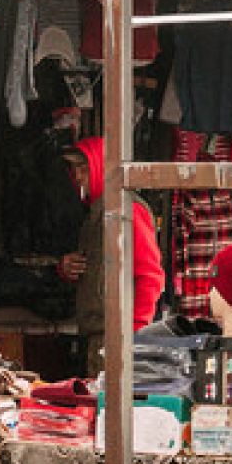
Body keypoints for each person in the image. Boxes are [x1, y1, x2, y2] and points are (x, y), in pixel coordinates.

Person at [55, 136, 166, 372]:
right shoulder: (97, 213)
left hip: (119, 339)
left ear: (101, 167)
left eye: (84, 168)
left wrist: (134, 334)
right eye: (74, 169)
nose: (78, 176)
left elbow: (151, 276)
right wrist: (66, 269)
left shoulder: (128, 210)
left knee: (111, 406)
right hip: (101, 337)